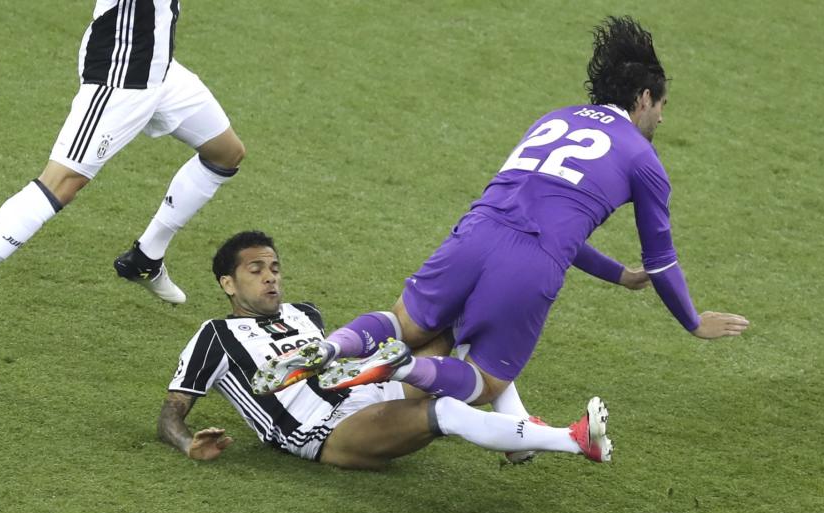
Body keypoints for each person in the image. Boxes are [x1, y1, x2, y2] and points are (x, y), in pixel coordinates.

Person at [256, 15, 749, 406]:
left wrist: (617, 274)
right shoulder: (644, 160)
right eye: (662, 104)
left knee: (404, 320)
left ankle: (334, 346)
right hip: (530, 262)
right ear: (644, 98)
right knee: (487, 381)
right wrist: (692, 321)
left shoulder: (553, 118)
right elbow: (661, 260)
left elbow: (548, 210)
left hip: (475, 231)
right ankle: (401, 367)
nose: (662, 116)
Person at [157, 231, 613, 469]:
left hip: (366, 391)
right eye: (256, 270)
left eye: (274, 267)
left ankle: (516, 428)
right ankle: (571, 441)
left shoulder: (304, 313)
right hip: (323, 432)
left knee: (463, 316)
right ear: (227, 284)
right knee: (447, 412)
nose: (271, 277)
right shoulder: (214, 335)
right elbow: (170, 414)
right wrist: (185, 443)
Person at [0, 1, 245, 345]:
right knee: (61, 183)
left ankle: (145, 257)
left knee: (226, 153)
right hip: (119, 76)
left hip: (160, 69)